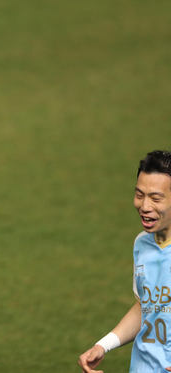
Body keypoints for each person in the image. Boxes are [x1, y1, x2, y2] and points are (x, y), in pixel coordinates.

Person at [78, 150, 171, 373]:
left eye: (156, 198)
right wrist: (104, 345)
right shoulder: (141, 244)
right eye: (140, 195)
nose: (144, 206)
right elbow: (146, 306)